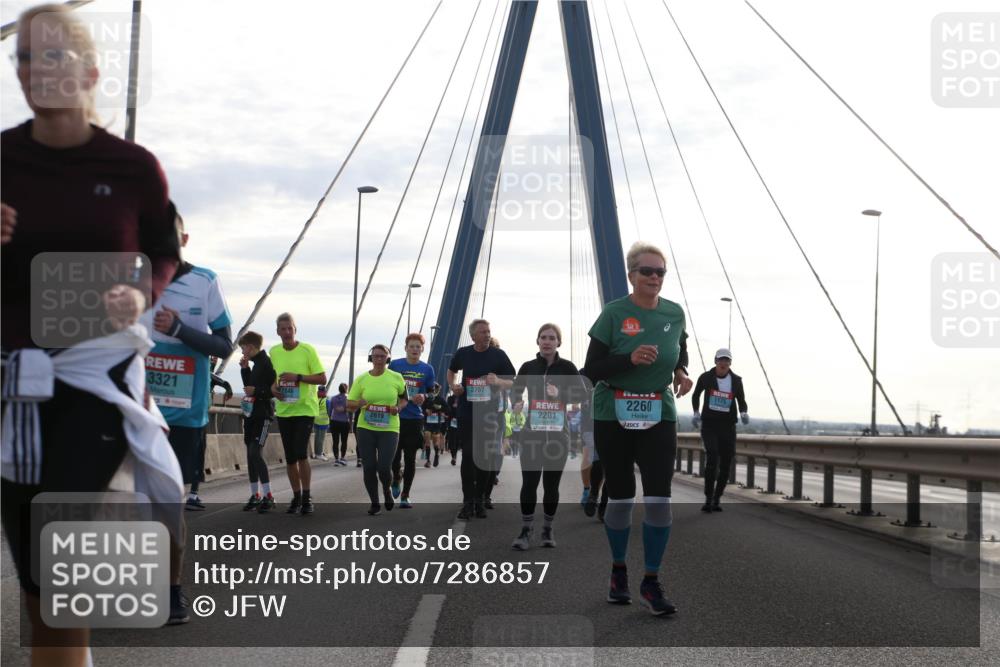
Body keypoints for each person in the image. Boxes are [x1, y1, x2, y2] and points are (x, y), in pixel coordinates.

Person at [1, 4, 184, 656]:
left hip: (93, 385)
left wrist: (140, 289)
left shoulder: (133, 167)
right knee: (37, 585)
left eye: (52, 55)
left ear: (90, 71)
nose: (34, 69)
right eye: (23, 56)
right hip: (14, 390)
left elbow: (165, 251)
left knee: (61, 571)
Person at [582, 241, 692, 616]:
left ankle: (651, 580)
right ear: (631, 275)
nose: (655, 277)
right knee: (623, 496)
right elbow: (592, 369)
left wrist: (681, 370)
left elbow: (680, 346)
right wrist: (628, 358)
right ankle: (618, 571)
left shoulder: (675, 313)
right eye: (647, 271)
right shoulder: (614, 314)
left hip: (658, 411)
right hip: (613, 410)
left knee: (659, 499)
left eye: (660, 271)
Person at [509, 324, 588, 551]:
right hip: (532, 435)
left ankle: (547, 528)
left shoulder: (568, 368)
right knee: (529, 484)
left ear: (558, 342)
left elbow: (582, 394)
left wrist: (560, 394)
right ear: (537, 341)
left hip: (557, 437)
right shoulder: (529, 366)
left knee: (551, 486)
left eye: (551, 338)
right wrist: (515, 403)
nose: (547, 341)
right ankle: (526, 530)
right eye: (543, 337)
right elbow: (515, 389)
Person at [448, 319, 516, 520]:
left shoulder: (498, 355)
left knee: (485, 458)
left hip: (490, 413)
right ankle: (468, 502)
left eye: (488, 331)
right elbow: (451, 371)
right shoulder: (463, 353)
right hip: (467, 412)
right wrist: (453, 386)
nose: (487, 335)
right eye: (483, 332)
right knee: (468, 455)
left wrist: (498, 381)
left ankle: (479, 500)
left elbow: (512, 381)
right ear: (473, 336)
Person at [269, 313, 327, 515]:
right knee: (290, 457)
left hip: (305, 409)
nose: (286, 332)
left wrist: (298, 377)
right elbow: (273, 378)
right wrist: (273, 389)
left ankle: (307, 497)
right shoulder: (274, 351)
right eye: (282, 329)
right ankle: (296, 496)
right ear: (277, 331)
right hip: (284, 410)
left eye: (290, 328)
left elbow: (322, 378)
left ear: (295, 330)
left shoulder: (307, 350)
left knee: (301, 452)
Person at [347, 344, 408, 515]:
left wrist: (399, 407)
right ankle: (374, 502)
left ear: (388, 358)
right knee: (369, 467)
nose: (379, 359)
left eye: (383, 356)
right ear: (371, 358)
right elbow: (349, 404)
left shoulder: (396, 377)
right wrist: (358, 403)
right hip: (365, 428)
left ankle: (387, 490)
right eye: (376, 356)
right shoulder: (361, 379)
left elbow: (404, 399)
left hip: (389, 428)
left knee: (383, 466)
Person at [692, 348, 749, 512]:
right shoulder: (705, 377)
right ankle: (708, 498)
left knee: (726, 464)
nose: (723, 363)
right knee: (712, 458)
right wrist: (696, 413)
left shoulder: (736, 380)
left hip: (728, 426)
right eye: (720, 360)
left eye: (727, 360)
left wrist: (744, 412)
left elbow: (741, 401)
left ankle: (717, 498)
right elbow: (696, 395)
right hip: (709, 425)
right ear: (715, 361)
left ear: (730, 363)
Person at [388, 333, 435, 508]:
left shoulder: (427, 369)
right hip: (396, 417)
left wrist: (424, 395)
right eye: (412, 346)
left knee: (410, 459)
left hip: (415, 419)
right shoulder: (395, 365)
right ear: (406, 348)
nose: (415, 349)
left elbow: (432, 392)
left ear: (422, 349)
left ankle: (406, 495)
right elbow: (387, 387)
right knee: (394, 457)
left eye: (418, 347)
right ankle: (396, 478)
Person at [238, 331, 276, 512]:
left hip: (263, 415)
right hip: (251, 415)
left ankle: (268, 495)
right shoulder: (255, 364)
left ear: (251, 347)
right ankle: (255, 495)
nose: (242, 350)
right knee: (250, 455)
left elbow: (273, 390)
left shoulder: (267, 363)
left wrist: (258, 391)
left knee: (255, 452)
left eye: (243, 347)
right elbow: (249, 389)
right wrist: (245, 370)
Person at [423, 383, 448, 467]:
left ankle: (436, 455)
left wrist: (440, 408)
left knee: (435, 443)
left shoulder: (440, 399)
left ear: (438, 390)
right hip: (427, 423)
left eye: (436, 389)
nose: (434, 391)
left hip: (436, 423)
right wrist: (425, 410)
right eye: (433, 389)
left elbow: (448, 409)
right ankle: (428, 461)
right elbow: (421, 408)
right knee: (427, 438)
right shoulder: (427, 399)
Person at [328, 382, 351, 465]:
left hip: (334, 421)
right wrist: (344, 410)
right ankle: (342, 458)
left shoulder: (333, 398)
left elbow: (330, 410)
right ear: (346, 390)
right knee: (344, 441)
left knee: (335, 441)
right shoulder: (347, 399)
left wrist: (330, 419)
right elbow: (350, 410)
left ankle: (336, 459)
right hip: (344, 422)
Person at [312, 384, 330, 461]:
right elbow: (330, 412)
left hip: (316, 421)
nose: (325, 393)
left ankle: (317, 453)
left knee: (317, 438)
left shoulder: (315, 399)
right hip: (324, 422)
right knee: (321, 439)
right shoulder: (327, 401)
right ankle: (319, 454)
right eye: (324, 392)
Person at [445, 392, 460, 465]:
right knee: (451, 440)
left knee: (457, 439)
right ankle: (453, 456)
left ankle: (454, 456)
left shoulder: (463, 398)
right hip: (452, 422)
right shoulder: (450, 398)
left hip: (460, 421)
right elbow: (447, 409)